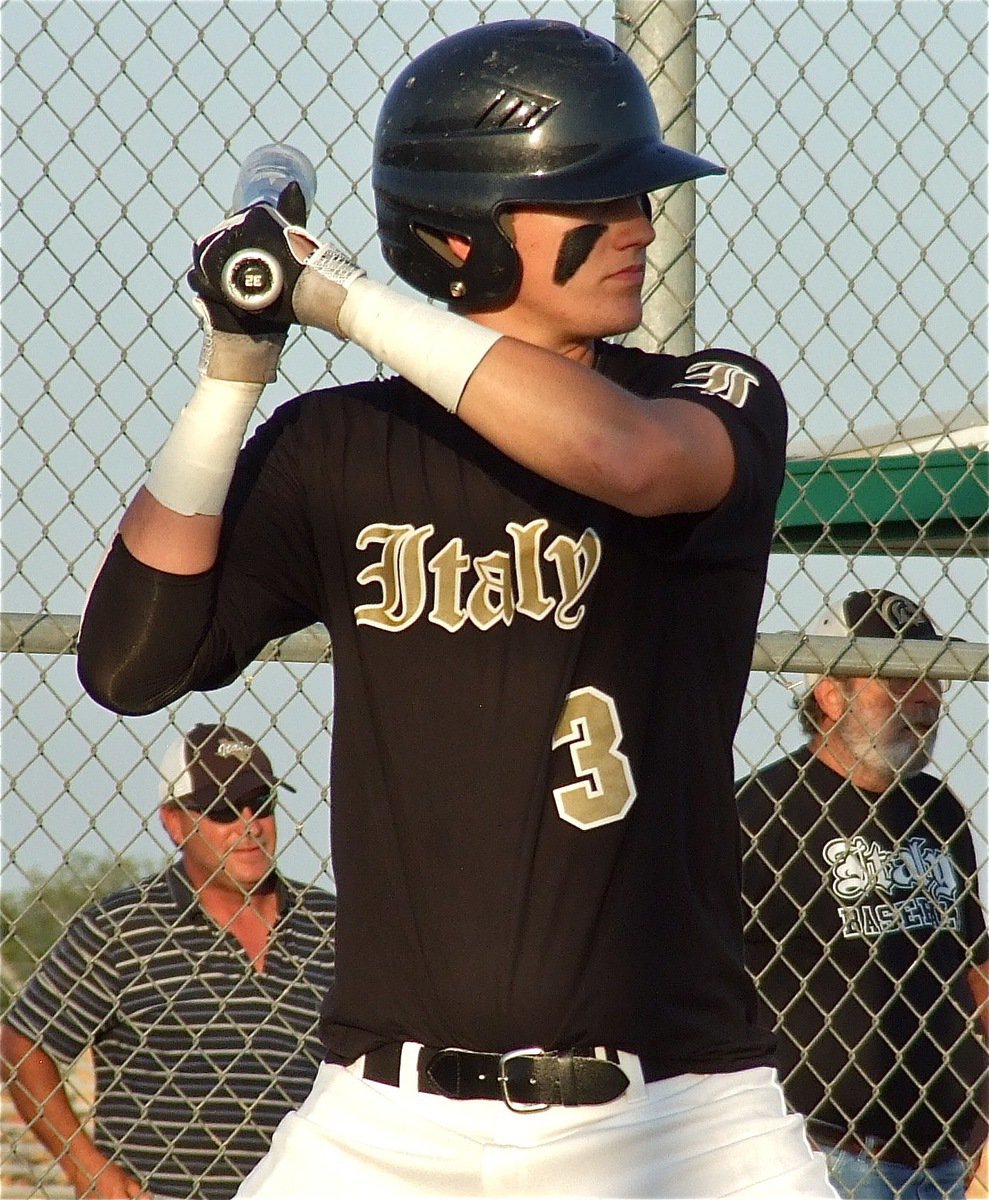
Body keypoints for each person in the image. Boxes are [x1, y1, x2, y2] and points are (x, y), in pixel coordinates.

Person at [75, 19, 834, 1198]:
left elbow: (623, 463)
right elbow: (129, 660)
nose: (638, 223)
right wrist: (230, 374)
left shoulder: (703, 395)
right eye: (595, 197)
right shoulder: (340, 450)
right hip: (381, 1123)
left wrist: (336, 297)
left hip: (671, 1119)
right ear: (462, 234)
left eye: (638, 192)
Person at [1, 722, 336, 1200]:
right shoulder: (122, 929)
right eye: (222, 810)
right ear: (174, 821)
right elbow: (23, 1044)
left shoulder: (332, 926)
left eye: (261, 803)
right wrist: (85, 1167)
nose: (249, 825)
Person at [736, 588, 989, 1200]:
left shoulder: (939, 809)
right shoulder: (760, 813)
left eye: (934, 677)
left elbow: (975, 968)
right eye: (901, 679)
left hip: (955, 1156)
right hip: (831, 1155)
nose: (927, 699)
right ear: (829, 693)